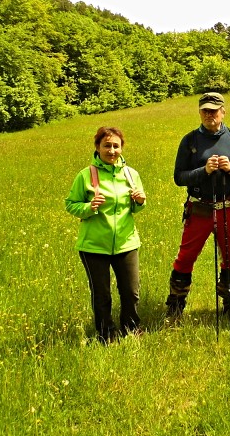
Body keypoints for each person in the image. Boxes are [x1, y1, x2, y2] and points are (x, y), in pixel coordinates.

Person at [166, 92, 230, 322]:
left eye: (214, 111)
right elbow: (179, 177)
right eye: (205, 110)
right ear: (199, 112)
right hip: (200, 208)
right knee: (186, 256)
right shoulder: (190, 141)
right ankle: (175, 307)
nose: (209, 115)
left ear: (223, 112)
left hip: (228, 206)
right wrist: (203, 171)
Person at [65, 126, 147, 343]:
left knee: (130, 292)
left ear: (121, 148)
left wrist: (140, 201)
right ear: (97, 147)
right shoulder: (85, 176)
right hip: (93, 246)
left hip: (127, 242)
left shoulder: (131, 174)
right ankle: (106, 334)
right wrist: (89, 207)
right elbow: (71, 205)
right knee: (102, 295)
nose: (111, 151)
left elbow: (136, 208)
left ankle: (131, 328)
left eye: (115, 146)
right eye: (107, 146)